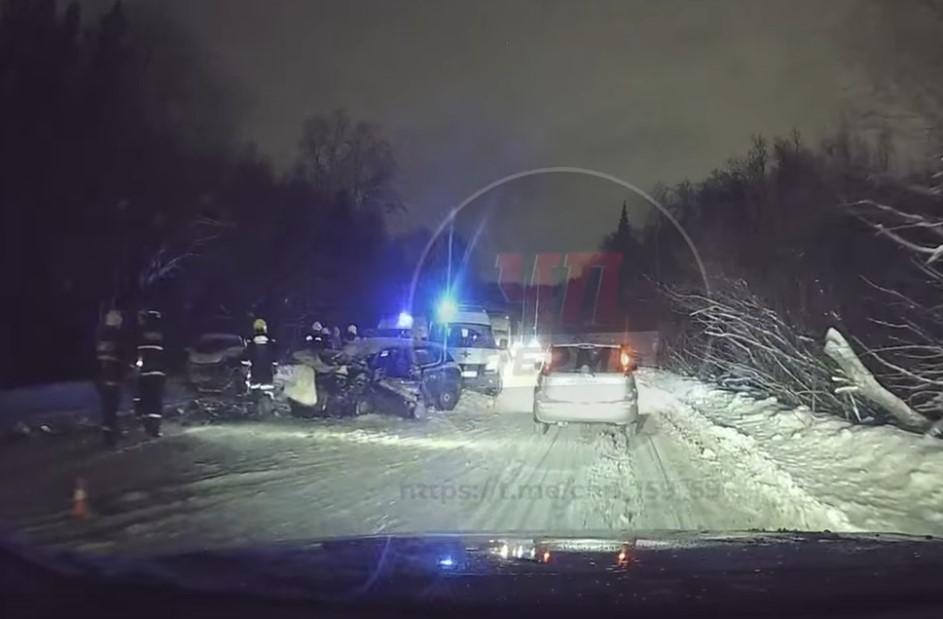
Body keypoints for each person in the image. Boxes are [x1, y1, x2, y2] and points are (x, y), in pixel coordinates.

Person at [95, 309, 125, 447]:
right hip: (113, 379)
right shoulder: (118, 337)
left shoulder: (100, 336)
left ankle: (108, 433)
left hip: (101, 378)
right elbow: (121, 359)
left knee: (106, 407)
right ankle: (111, 437)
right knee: (112, 408)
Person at [135, 309, 165, 438]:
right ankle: (154, 429)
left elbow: (138, 355)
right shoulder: (160, 335)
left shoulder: (141, 335)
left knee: (146, 399)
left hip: (144, 372)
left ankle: (147, 426)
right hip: (157, 373)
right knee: (155, 401)